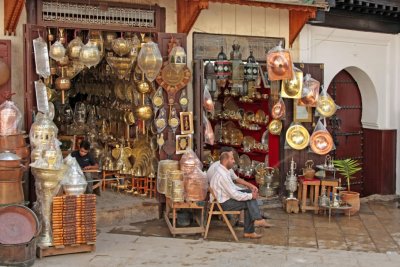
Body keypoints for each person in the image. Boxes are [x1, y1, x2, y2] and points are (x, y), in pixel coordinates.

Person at [209, 149, 273, 239]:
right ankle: (254, 224)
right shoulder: (222, 175)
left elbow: (233, 188)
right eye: (232, 159)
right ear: (225, 160)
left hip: (224, 199)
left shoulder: (224, 170)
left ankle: (255, 221)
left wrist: (249, 190)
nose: (234, 161)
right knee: (248, 200)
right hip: (221, 204)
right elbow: (234, 194)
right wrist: (250, 196)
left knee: (249, 195)